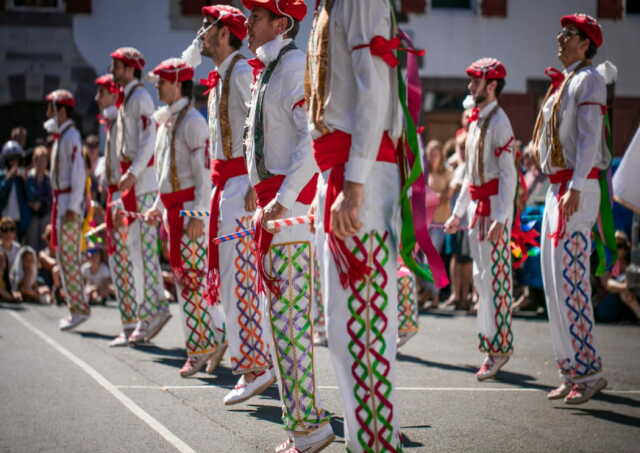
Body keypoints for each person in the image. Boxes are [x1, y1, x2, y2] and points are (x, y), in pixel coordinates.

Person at [306, 0, 413, 450]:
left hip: (359, 172)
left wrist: (354, 183)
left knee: (362, 324)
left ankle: (374, 443)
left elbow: (375, 92)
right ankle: (364, 441)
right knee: (342, 327)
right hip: (343, 169)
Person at [243, 1, 334, 450]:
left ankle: (310, 427)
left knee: (290, 325)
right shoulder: (270, 68)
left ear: (281, 23)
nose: (248, 23)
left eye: (256, 17)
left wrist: (282, 198)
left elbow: (312, 139)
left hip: (288, 212)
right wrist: (257, 189)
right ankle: (302, 425)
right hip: (275, 209)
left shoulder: (293, 64)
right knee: (282, 326)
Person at [530, 13, 610, 404]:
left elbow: (590, 137)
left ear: (586, 43)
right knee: (553, 283)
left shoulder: (589, 79)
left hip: (576, 189)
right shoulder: (565, 83)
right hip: (558, 188)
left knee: (573, 281)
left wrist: (576, 185)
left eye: (569, 33)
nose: (559, 37)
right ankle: (570, 367)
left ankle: (589, 369)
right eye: (561, 31)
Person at [198, 4, 275, 403]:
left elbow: (258, 126)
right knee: (233, 275)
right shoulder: (223, 76)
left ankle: (255, 364)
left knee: (240, 277)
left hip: (240, 182)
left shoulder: (243, 72)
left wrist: (252, 180)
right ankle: (257, 360)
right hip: (225, 183)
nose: (201, 32)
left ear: (223, 32)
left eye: (207, 25)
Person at [144, 57, 227, 377]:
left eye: (161, 82)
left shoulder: (192, 121)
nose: (157, 86)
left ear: (177, 83)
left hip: (189, 212)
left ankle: (201, 347)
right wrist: (157, 207)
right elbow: (166, 174)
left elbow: (202, 174)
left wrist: (196, 214)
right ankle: (214, 337)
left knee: (192, 282)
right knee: (186, 281)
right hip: (174, 211)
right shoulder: (166, 121)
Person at [445, 58, 517, 381]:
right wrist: (457, 214)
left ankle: (499, 347)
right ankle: (490, 345)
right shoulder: (475, 121)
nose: (470, 87)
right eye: (470, 82)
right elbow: (471, 178)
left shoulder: (501, 122)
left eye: (476, 82)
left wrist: (502, 217)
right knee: (481, 280)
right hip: (477, 210)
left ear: (492, 86)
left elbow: (508, 176)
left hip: (493, 211)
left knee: (497, 281)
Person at [111, 46, 172, 344]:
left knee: (144, 253)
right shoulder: (128, 99)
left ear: (130, 68)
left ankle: (152, 312)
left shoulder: (141, 98)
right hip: (134, 183)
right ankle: (150, 310)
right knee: (137, 252)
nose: (113, 71)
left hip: (144, 184)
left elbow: (148, 141)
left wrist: (134, 172)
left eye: (118, 66)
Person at [94, 72, 141, 347]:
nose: (98, 99)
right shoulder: (112, 123)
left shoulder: (119, 120)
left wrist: (118, 201)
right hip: (114, 195)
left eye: (102, 93)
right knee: (118, 259)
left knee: (123, 259)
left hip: (120, 196)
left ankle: (132, 322)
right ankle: (128, 321)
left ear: (113, 93)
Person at [44, 89, 91, 330]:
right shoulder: (61, 136)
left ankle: (79, 308)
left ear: (62, 110)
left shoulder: (71, 137)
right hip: (61, 203)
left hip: (68, 206)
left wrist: (72, 206)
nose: (48, 113)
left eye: (51, 107)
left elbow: (77, 174)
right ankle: (75, 307)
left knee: (69, 258)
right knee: (64, 257)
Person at [25, 146, 52, 252]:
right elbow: (29, 196)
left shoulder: (49, 178)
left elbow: (50, 198)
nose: (41, 164)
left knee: (45, 245)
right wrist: (36, 202)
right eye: (38, 161)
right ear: (34, 161)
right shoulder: (29, 178)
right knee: (32, 246)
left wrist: (40, 203)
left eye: (43, 161)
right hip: (33, 217)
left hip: (46, 215)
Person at [0, 145, 31, 239]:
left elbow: (30, 196)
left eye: (16, 159)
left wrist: (25, 182)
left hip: (20, 219)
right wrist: (8, 178)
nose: (14, 162)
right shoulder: (2, 176)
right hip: (5, 217)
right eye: (11, 159)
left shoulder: (22, 176)